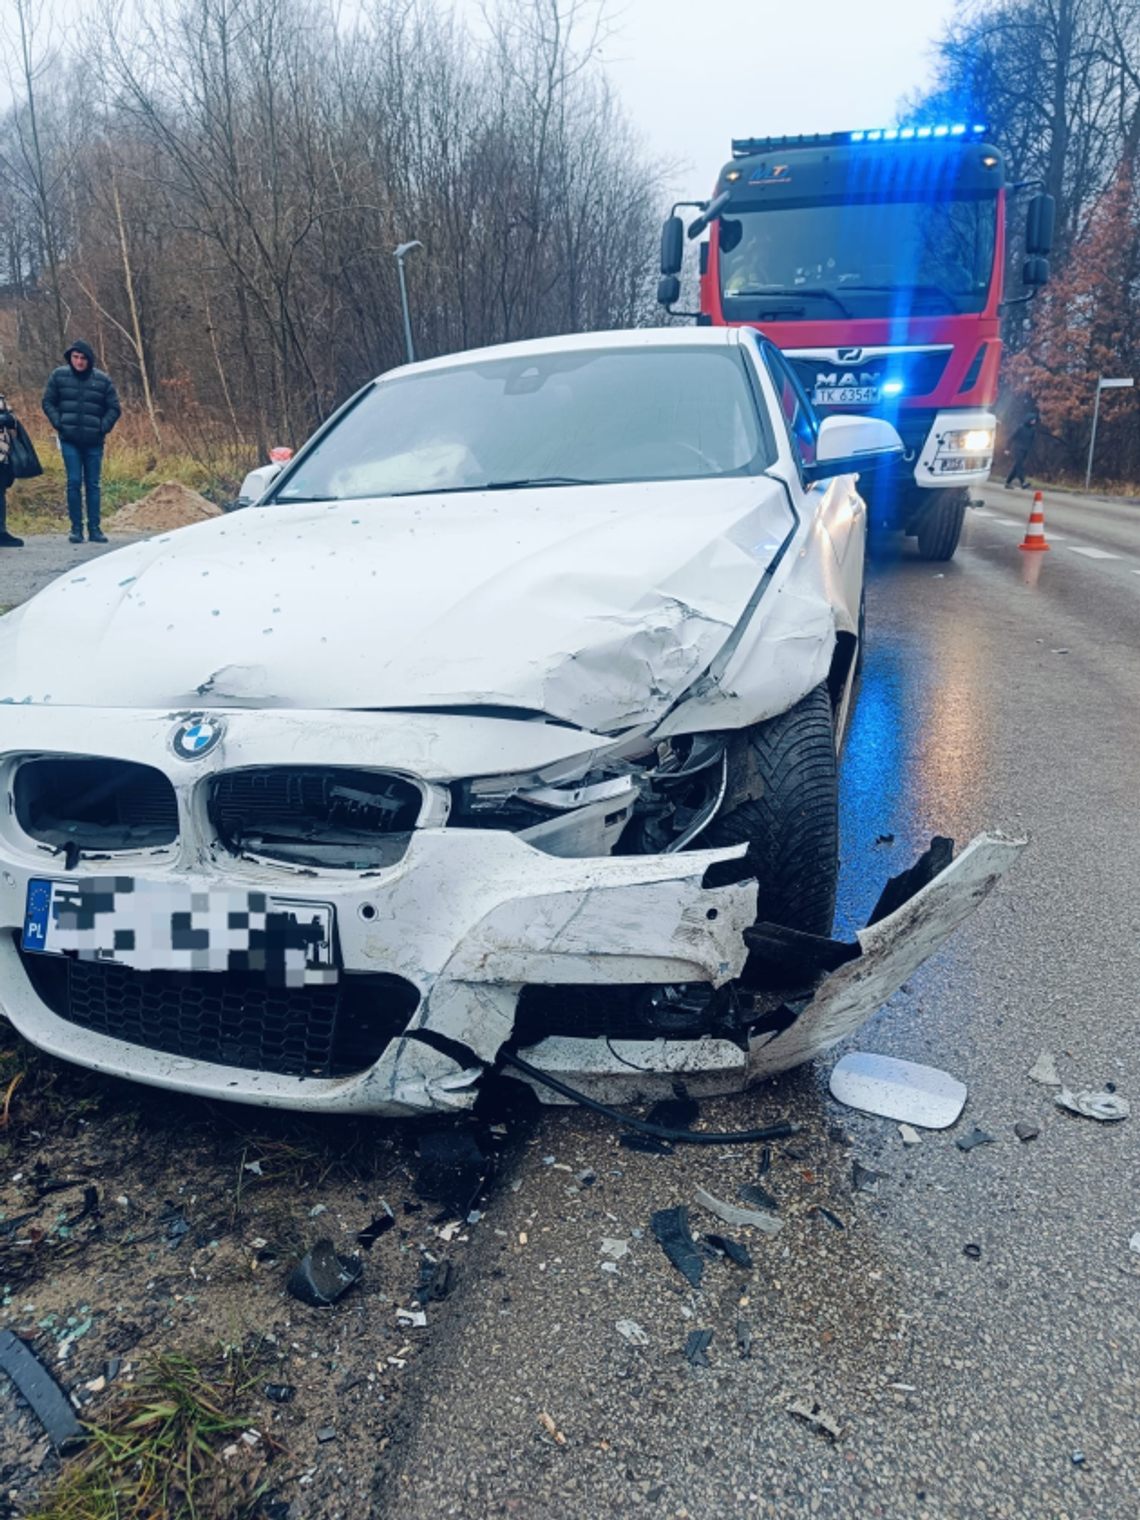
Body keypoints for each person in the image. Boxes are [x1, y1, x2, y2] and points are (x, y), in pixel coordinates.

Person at [42, 340, 121, 543]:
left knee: (93, 485)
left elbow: (114, 408)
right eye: (75, 357)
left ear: (89, 360)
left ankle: (94, 528)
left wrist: (102, 427)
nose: (79, 361)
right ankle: (76, 529)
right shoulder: (59, 376)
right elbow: (47, 401)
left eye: (83, 358)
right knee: (74, 482)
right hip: (69, 439)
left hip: (94, 441)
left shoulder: (102, 380)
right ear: (70, 358)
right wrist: (59, 423)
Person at [1004, 412, 1039, 489]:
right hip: (1017, 449)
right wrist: (1007, 448)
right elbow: (1011, 437)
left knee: (1016, 467)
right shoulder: (1020, 428)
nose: (1034, 422)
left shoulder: (1032, 430)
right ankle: (1022, 483)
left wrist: (1032, 451)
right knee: (1020, 466)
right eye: (1033, 420)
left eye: (1035, 420)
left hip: (1025, 450)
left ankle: (1008, 482)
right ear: (1029, 420)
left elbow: (1032, 441)